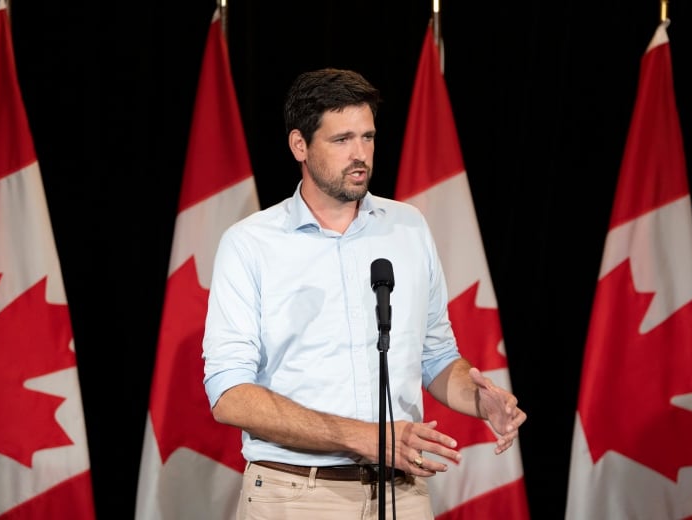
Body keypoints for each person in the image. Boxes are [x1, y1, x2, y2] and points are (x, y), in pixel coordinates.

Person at [202, 67, 527, 519]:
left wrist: (478, 399)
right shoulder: (251, 243)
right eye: (342, 140)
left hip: (402, 494)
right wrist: (365, 436)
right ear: (300, 145)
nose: (360, 155)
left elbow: (435, 356)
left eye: (368, 137)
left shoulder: (409, 226)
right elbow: (229, 394)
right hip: (295, 495)